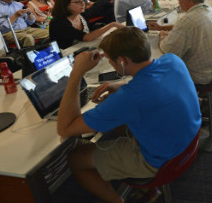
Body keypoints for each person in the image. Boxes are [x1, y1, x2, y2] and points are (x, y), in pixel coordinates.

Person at [57, 27, 201, 203]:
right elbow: (154, 84)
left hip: (160, 161)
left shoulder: (128, 98)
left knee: (75, 158)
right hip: (187, 143)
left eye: (110, 61)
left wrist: (76, 73)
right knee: (123, 122)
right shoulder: (172, 60)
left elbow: (65, 128)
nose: (110, 64)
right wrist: (120, 87)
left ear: (123, 61)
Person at [151, 0, 212, 87]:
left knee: (164, 70)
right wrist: (162, 28)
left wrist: (162, 35)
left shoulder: (187, 21)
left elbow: (167, 50)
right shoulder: (210, 10)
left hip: (205, 76)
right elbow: (187, 28)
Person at [49, 0, 124, 49]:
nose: (83, 4)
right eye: (78, 2)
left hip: (83, 48)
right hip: (66, 56)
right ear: (67, 5)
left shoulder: (80, 14)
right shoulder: (58, 22)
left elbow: (89, 29)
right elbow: (86, 37)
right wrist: (112, 25)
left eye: (83, 0)